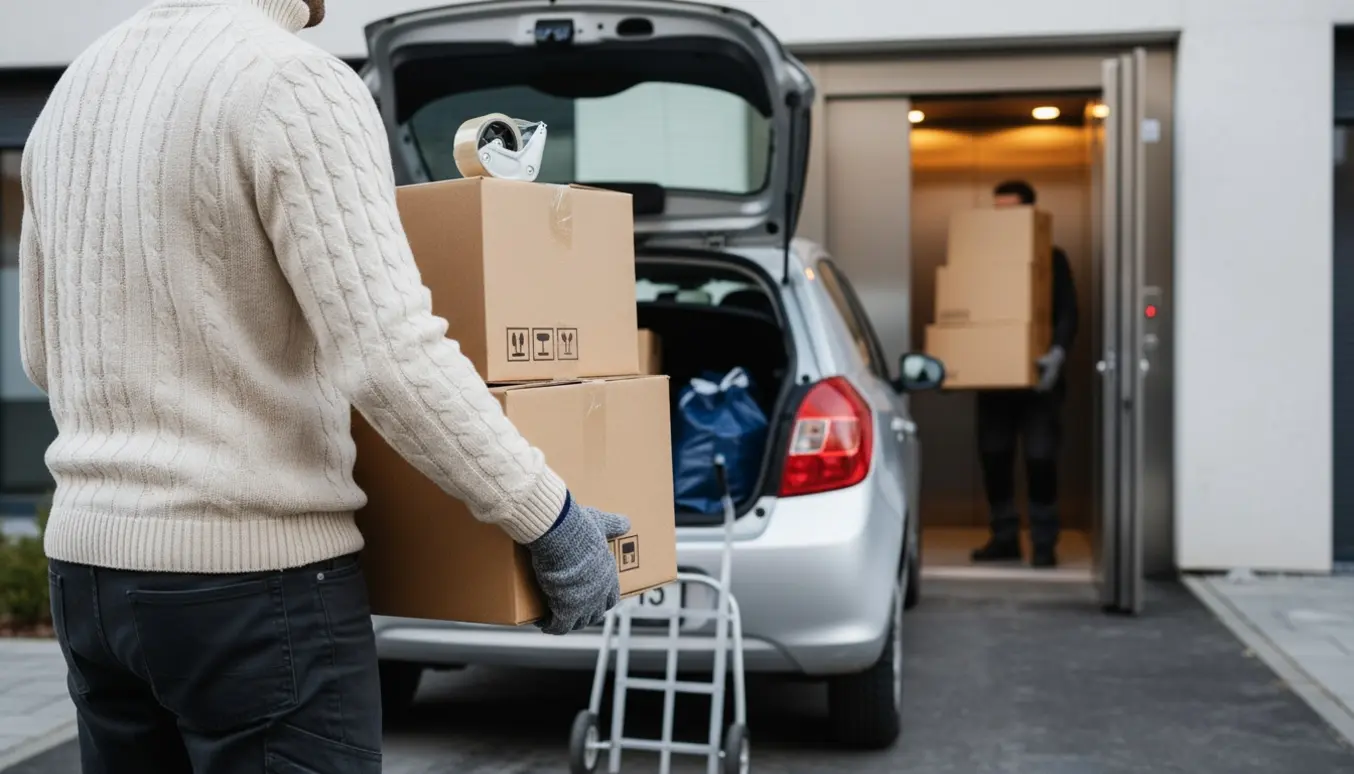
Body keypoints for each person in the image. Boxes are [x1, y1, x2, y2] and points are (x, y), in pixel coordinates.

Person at [18, 1, 629, 771]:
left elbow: (44, 354)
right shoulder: (293, 82)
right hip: (252, 589)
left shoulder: (74, 91)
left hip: (87, 576)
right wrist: (552, 520)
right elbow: (385, 353)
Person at [969, 180, 1079, 569]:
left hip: (1039, 382)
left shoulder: (1053, 259)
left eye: (1012, 211)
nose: (1005, 220)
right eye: (998, 211)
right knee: (994, 456)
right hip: (995, 381)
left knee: (1040, 457)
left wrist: (1057, 355)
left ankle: (1045, 539)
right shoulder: (982, 261)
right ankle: (1004, 537)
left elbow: (1068, 313)